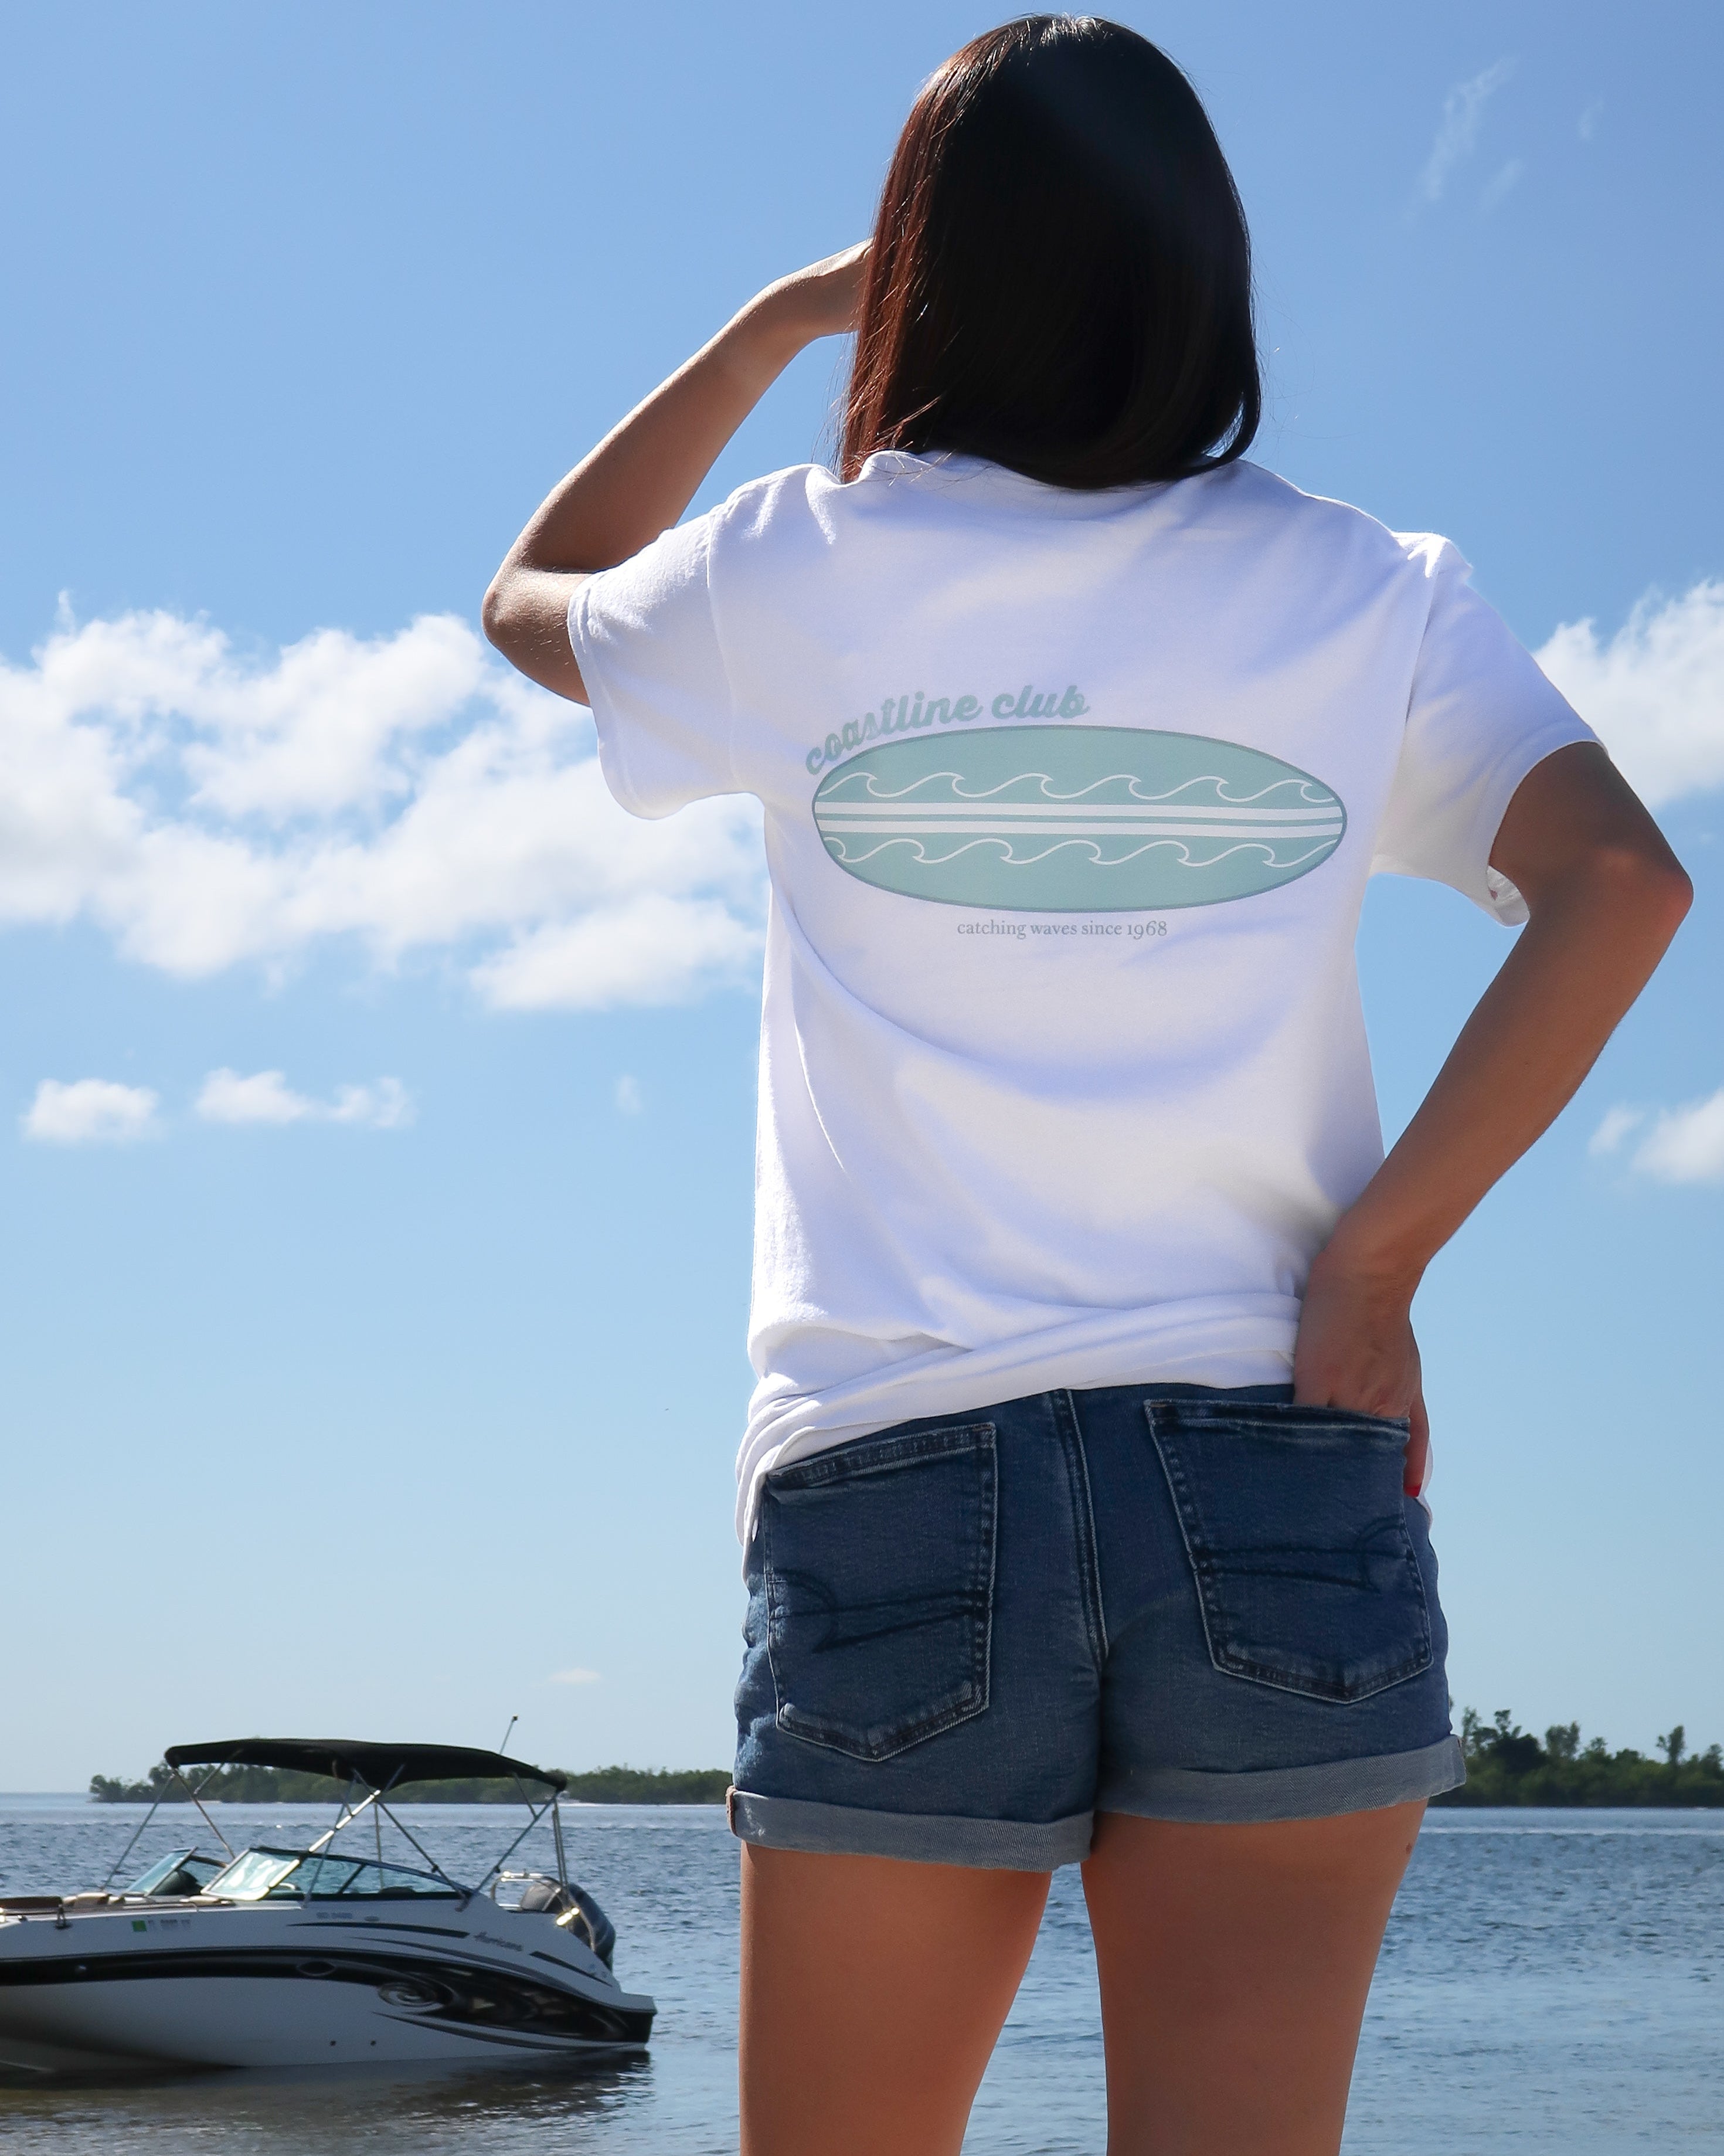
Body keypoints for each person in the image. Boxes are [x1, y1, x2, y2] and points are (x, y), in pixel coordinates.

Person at [484, 18, 1689, 2152]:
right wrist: (1380, 1265)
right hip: (1278, 1458)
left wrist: (780, 318)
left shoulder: (798, 564)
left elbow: (526, 597)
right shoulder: (1365, 587)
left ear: (924, 273)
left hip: (895, 1469)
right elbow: (1619, 882)